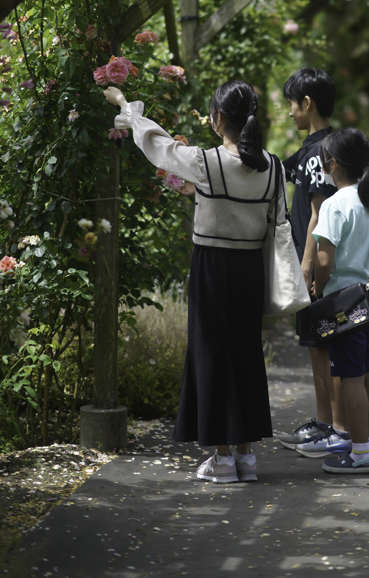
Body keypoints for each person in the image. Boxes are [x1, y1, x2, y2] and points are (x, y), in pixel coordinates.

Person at [103, 79, 286, 484]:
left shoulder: (207, 162)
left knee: (213, 353)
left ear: (218, 119)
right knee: (244, 354)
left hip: (213, 267)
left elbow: (157, 145)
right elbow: (272, 220)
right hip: (250, 269)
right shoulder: (274, 166)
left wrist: (124, 104)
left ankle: (222, 459)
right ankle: (245, 455)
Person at [278, 68, 349, 456]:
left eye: (292, 103)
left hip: (314, 265)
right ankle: (324, 422)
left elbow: (320, 215)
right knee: (316, 345)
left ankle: (331, 427)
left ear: (307, 104)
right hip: (310, 264)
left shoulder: (320, 153)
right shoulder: (313, 149)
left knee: (324, 346)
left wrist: (307, 266)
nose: (289, 111)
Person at [312, 128, 369, 475]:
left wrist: (317, 285)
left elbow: (325, 259)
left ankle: (358, 454)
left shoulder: (333, 204)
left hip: (347, 305)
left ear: (333, 164)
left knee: (352, 378)